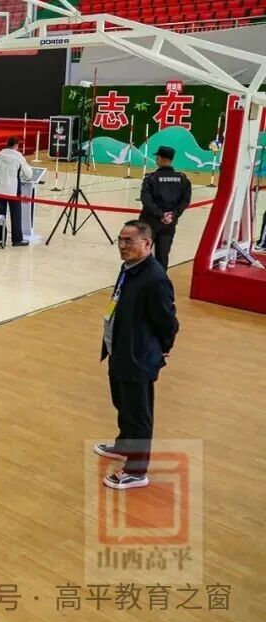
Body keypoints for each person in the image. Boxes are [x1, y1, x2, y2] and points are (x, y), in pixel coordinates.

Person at [96, 220, 179, 490]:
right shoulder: (129, 268)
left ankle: (136, 470)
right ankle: (124, 445)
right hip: (119, 350)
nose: (122, 246)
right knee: (122, 402)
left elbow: (167, 321)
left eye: (128, 241)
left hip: (138, 357)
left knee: (138, 413)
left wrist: (163, 348)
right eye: (120, 240)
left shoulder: (155, 278)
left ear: (147, 243)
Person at [138, 146, 192, 271]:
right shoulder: (182, 179)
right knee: (162, 257)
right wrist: (172, 215)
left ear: (160, 158)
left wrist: (160, 215)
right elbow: (185, 201)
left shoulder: (151, 178)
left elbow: (146, 200)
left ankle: (141, 280)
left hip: (149, 223)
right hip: (168, 225)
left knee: (142, 255)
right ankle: (160, 280)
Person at [0, 137, 34, 246]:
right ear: (16, 145)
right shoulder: (18, 156)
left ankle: (1, 240)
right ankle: (17, 240)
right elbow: (28, 174)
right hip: (13, 189)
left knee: (1, 215)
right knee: (16, 215)